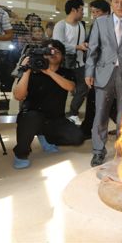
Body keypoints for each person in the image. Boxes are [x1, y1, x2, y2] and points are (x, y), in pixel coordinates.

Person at [12, 39, 84, 169]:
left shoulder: (66, 72)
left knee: (77, 138)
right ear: (42, 53)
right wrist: (27, 70)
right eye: (49, 51)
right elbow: (18, 96)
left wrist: (49, 72)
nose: (53, 53)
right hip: (32, 116)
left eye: (57, 51)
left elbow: (70, 87)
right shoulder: (32, 71)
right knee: (31, 118)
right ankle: (21, 154)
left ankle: (45, 136)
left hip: (55, 119)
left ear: (62, 56)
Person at [85, 0, 122, 166]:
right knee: (101, 114)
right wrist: (89, 72)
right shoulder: (100, 22)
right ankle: (98, 151)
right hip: (103, 73)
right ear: (111, 3)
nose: (120, 5)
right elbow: (93, 49)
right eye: (116, 2)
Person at [80, 0, 113, 139]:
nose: (94, 15)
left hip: (104, 69)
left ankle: (88, 129)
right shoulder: (97, 24)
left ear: (106, 12)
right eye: (92, 12)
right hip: (99, 69)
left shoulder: (107, 24)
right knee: (98, 101)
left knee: (98, 101)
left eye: (97, 12)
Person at [53, 0, 88, 125]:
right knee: (60, 89)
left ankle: (73, 113)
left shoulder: (81, 25)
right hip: (63, 63)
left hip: (79, 63)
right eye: (81, 10)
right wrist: (77, 47)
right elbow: (58, 44)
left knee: (83, 88)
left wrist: (83, 45)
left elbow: (80, 42)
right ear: (74, 10)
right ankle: (57, 115)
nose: (83, 13)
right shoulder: (61, 25)